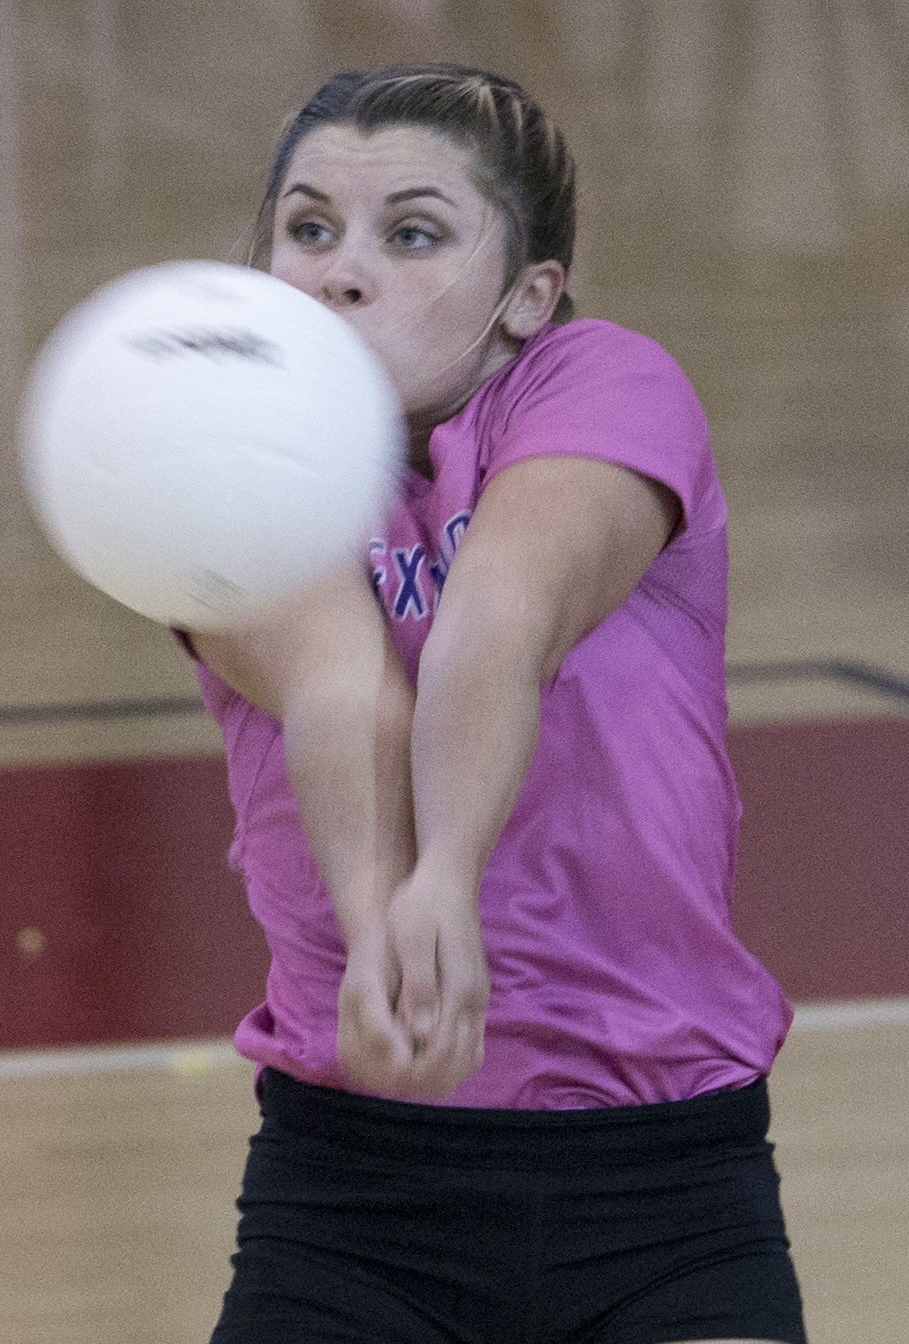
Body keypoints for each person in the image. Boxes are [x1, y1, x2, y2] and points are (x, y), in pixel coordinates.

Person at [181, 62, 807, 1344]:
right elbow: (333, 679)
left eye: (410, 234)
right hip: (353, 1193)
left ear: (529, 297)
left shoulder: (606, 385)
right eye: (307, 230)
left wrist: (443, 881)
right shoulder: (204, 451)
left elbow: (497, 620)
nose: (341, 272)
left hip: (665, 1180)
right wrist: (380, 924)